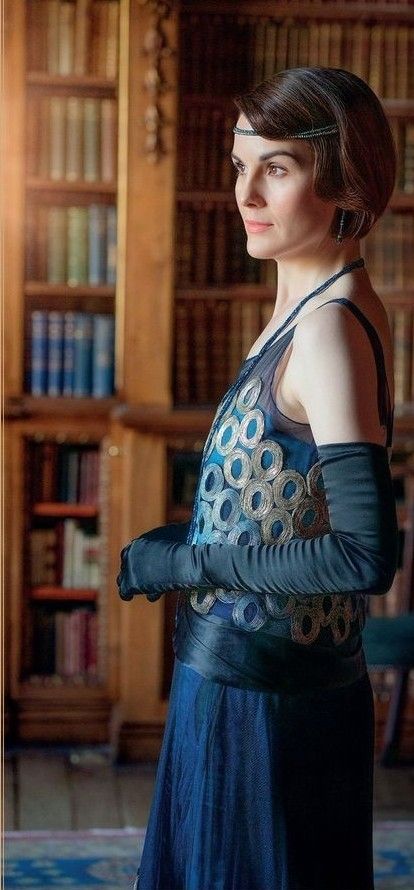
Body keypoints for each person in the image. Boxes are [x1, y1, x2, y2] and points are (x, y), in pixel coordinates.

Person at [118, 67, 399, 890]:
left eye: (277, 167)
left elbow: (359, 557)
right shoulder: (312, 306)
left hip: (266, 708)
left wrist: (195, 564)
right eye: (240, 164)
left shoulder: (330, 332)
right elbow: (282, 505)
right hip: (245, 684)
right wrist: (189, 541)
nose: (247, 190)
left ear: (343, 176)